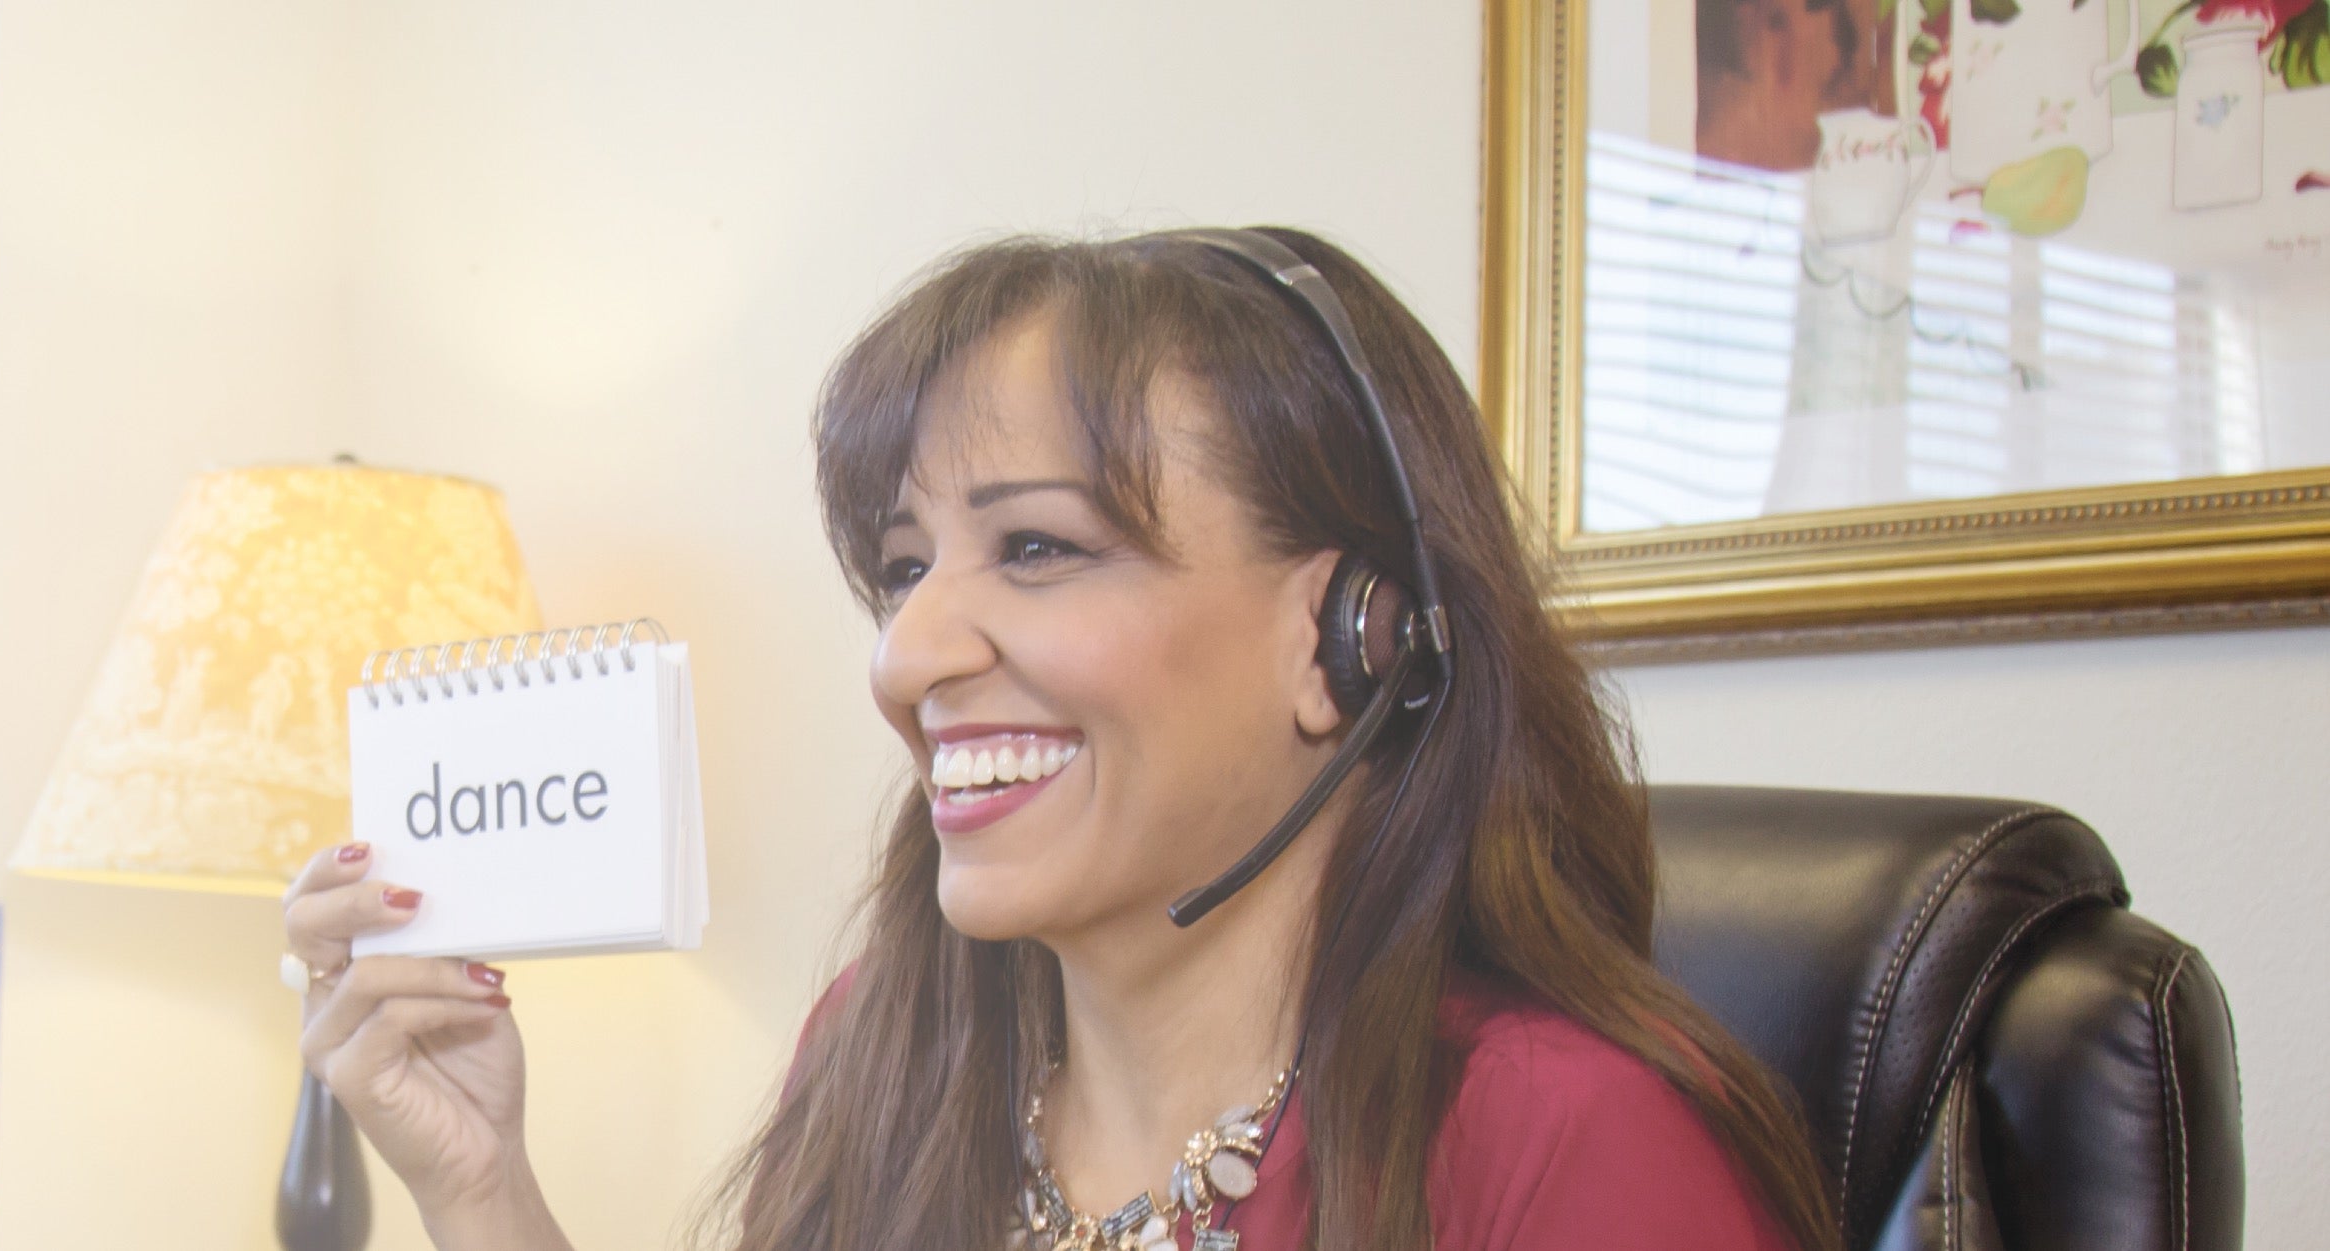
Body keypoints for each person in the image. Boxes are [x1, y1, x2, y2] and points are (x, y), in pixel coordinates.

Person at [280, 229, 1837, 1251]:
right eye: (905, 567)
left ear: (1345, 638)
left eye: (1036, 551)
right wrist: (478, 1183)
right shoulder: (885, 1057)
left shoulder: (1562, 1145)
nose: (910, 655)